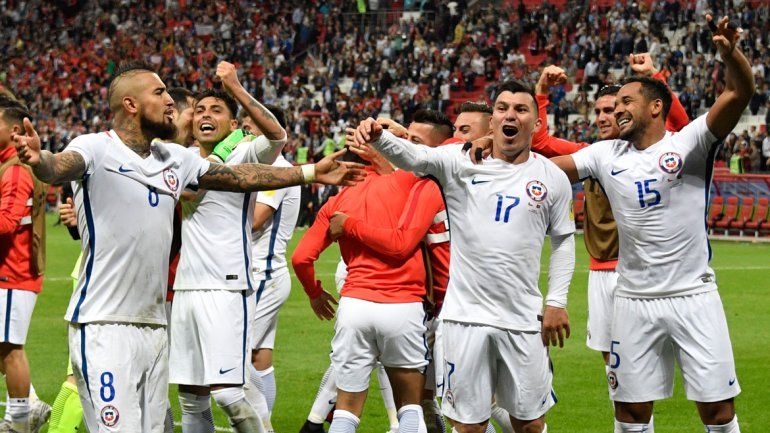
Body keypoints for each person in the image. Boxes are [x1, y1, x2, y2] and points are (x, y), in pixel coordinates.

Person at [10, 61, 364, 433]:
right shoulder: (95, 148)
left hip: (155, 325)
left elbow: (236, 177)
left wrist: (309, 172)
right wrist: (41, 161)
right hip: (103, 324)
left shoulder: (175, 159)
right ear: (130, 104)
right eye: (160, 93)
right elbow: (59, 165)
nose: (173, 104)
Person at [550, 16, 752, 433]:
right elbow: (550, 171)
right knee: (630, 412)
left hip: (694, 295)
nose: (617, 109)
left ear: (656, 106)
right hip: (633, 301)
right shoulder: (605, 155)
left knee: (717, 411)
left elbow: (738, 91)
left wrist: (731, 54)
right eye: (614, 103)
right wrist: (495, 151)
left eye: (627, 101)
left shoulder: (689, 144)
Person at [353, 79, 576, 433]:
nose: (510, 115)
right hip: (464, 320)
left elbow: (564, 240)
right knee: (468, 426)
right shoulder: (459, 162)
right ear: (492, 121)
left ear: (536, 123)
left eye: (521, 109)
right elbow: (415, 156)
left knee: (530, 424)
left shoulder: (552, 178)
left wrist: (557, 301)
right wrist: (379, 137)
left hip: (523, 320)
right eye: (502, 108)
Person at [291, 117, 453, 433]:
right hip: (403, 305)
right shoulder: (419, 183)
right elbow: (402, 243)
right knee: (410, 407)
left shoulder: (341, 196)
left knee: (346, 412)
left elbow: (300, 258)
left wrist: (314, 292)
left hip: (353, 306)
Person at [242, 105, 300, 431]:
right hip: (266, 274)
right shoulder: (270, 166)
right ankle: (266, 423)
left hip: (262, 274)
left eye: (251, 128)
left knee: (237, 358)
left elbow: (256, 220)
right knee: (260, 359)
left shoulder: (275, 168)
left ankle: (263, 427)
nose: (246, 135)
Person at [0, 98, 51, 433]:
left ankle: (20, 420)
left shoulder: (16, 169)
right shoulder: (9, 165)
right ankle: (28, 407)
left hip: (13, 272)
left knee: (11, 351)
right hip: (11, 272)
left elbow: (6, 223)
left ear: (14, 129)